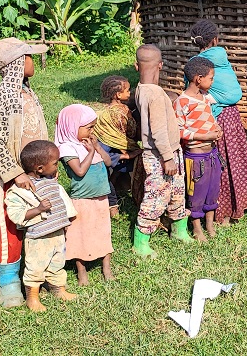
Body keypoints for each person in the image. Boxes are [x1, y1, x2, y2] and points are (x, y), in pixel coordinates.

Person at [0, 38, 49, 307]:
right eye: (29, 56)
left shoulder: (27, 92)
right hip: (13, 175)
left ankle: (38, 271)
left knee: (40, 218)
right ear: (16, 63)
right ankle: (8, 281)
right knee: (11, 225)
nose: (33, 61)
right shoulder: (1, 96)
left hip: (38, 171)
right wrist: (15, 173)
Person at [188, 19, 247, 226]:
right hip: (232, 116)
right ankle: (238, 206)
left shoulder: (196, 64)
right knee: (235, 160)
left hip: (214, 119)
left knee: (219, 164)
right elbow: (233, 91)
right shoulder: (223, 58)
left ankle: (220, 212)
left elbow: (193, 93)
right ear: (215, 39)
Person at [133, 45, 192, 258]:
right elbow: (158, 131)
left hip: (167, 152)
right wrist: (168, 158)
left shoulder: (140, 89)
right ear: (161, 65)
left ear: (136, 66)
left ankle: (178, 229)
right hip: (161, 155)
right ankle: (141, 241)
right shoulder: (156, 94)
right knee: (156, 196)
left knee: (176, 192)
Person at [5, 140, 78, 312]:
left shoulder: (49, 181)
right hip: (39, 237)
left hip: (57, 233)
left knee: (57, 263)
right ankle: (32, 297)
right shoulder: (22, 189)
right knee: (36, 267)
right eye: (55, 163)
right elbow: (16, 214)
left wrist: (66, 219)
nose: (57, 166)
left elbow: (60, 200)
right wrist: (38, 209)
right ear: (39, 168)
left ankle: (58, 289)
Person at [55, 104, 114, 286]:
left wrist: (97, 148)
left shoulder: (90, 143)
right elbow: (79, 171)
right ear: (72, 126)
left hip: (101, 196)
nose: (92, 131)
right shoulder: (67, 148)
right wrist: (91, 152)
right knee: (79, 233)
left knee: (103, 230)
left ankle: (106, 267)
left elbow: (108, 162)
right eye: (88, 127)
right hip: (82, 199)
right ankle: (82, 271)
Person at [175, 56, 224, 241]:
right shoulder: (182, 102)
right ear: (198, 79)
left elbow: (210, 120)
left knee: (212, 190)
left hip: (212, 154)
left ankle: (209, 224)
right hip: (196, 157)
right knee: (196, 192)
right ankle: (197, 228)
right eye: (211, 78)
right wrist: (204, 136)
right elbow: (179, 130)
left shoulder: (205, 99)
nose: (212, 82)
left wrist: (216, 129)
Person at [94, 75, 139, 216]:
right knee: (135, 156)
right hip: (115, 146)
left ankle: (115, 182)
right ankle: (114, 205)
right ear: (118, 95)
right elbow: (131, 131)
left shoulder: (104, 110)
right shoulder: (123, 110)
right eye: (128, 90)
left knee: (106, 172)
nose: (130, 93)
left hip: (102, 145)